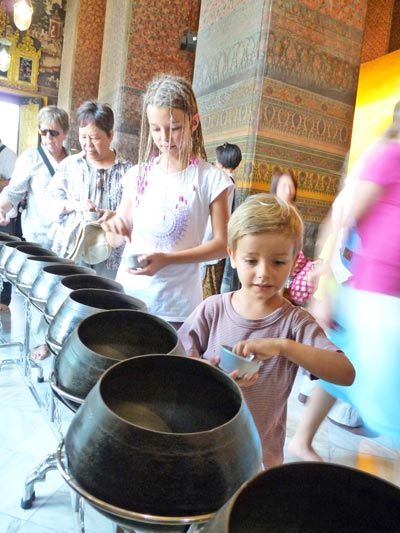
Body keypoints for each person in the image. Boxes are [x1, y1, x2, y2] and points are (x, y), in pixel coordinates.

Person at [178, 193, 354, 468]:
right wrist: (210, 371)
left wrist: (282, 346)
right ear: (233, 257)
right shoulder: (212, 310)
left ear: (295, 261)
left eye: (278, 262)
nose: (264, 273)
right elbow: (178, 364)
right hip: (203, 442)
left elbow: (345, 373)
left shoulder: (295, 323)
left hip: (259, 457)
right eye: (251, 261)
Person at [289, 115, 400, 462]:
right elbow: (342, 219)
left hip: (383, 297)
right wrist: (325, 290)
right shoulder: (390, 155)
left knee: (341, 369)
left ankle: (302, 440)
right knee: (387, 406)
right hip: (375, 294)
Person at [102, 74, 233, 328]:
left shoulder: (211, 179)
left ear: (194, 122)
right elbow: (115, 240)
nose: (164, 138)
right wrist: (114, 227)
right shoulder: (137, 175)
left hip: (177, 305)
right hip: (130, 296)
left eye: (174, 128)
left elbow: (222, 245)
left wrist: (169, 259)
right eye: (155, 128)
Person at [47, 100, 133, 279]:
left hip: (111, 256)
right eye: (83, 137)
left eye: (94, 138)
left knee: (103, 300)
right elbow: (50, 202)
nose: (87, 144)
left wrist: (115, 215)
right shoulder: (70, 166)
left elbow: (136, 214)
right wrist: (75, 205)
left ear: (110, 134)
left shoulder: (128, 171)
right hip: (72, 250)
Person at [0, 107, 69, 326]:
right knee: (38, 293)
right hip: (38, 237)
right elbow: (14, 190)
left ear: (65, 132)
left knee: (62, 295)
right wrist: (2, 207)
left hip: (67, 241)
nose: (48, 138)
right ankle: (35, 340)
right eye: (44, 132)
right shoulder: (31, 158)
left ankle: (51, 342)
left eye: (54, 132)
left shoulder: (73, 160)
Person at [202, 142, 242, 298]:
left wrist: (204, 243)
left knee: (208, 291)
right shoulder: (230, 181)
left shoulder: (223, 182)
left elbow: (215, 220)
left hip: (212, 245)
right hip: (217, 245)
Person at [0, 139, 18, 311]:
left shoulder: (8, 155)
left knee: (4, 256)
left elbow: (15, 183)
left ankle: (4, 300)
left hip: (5, 217)